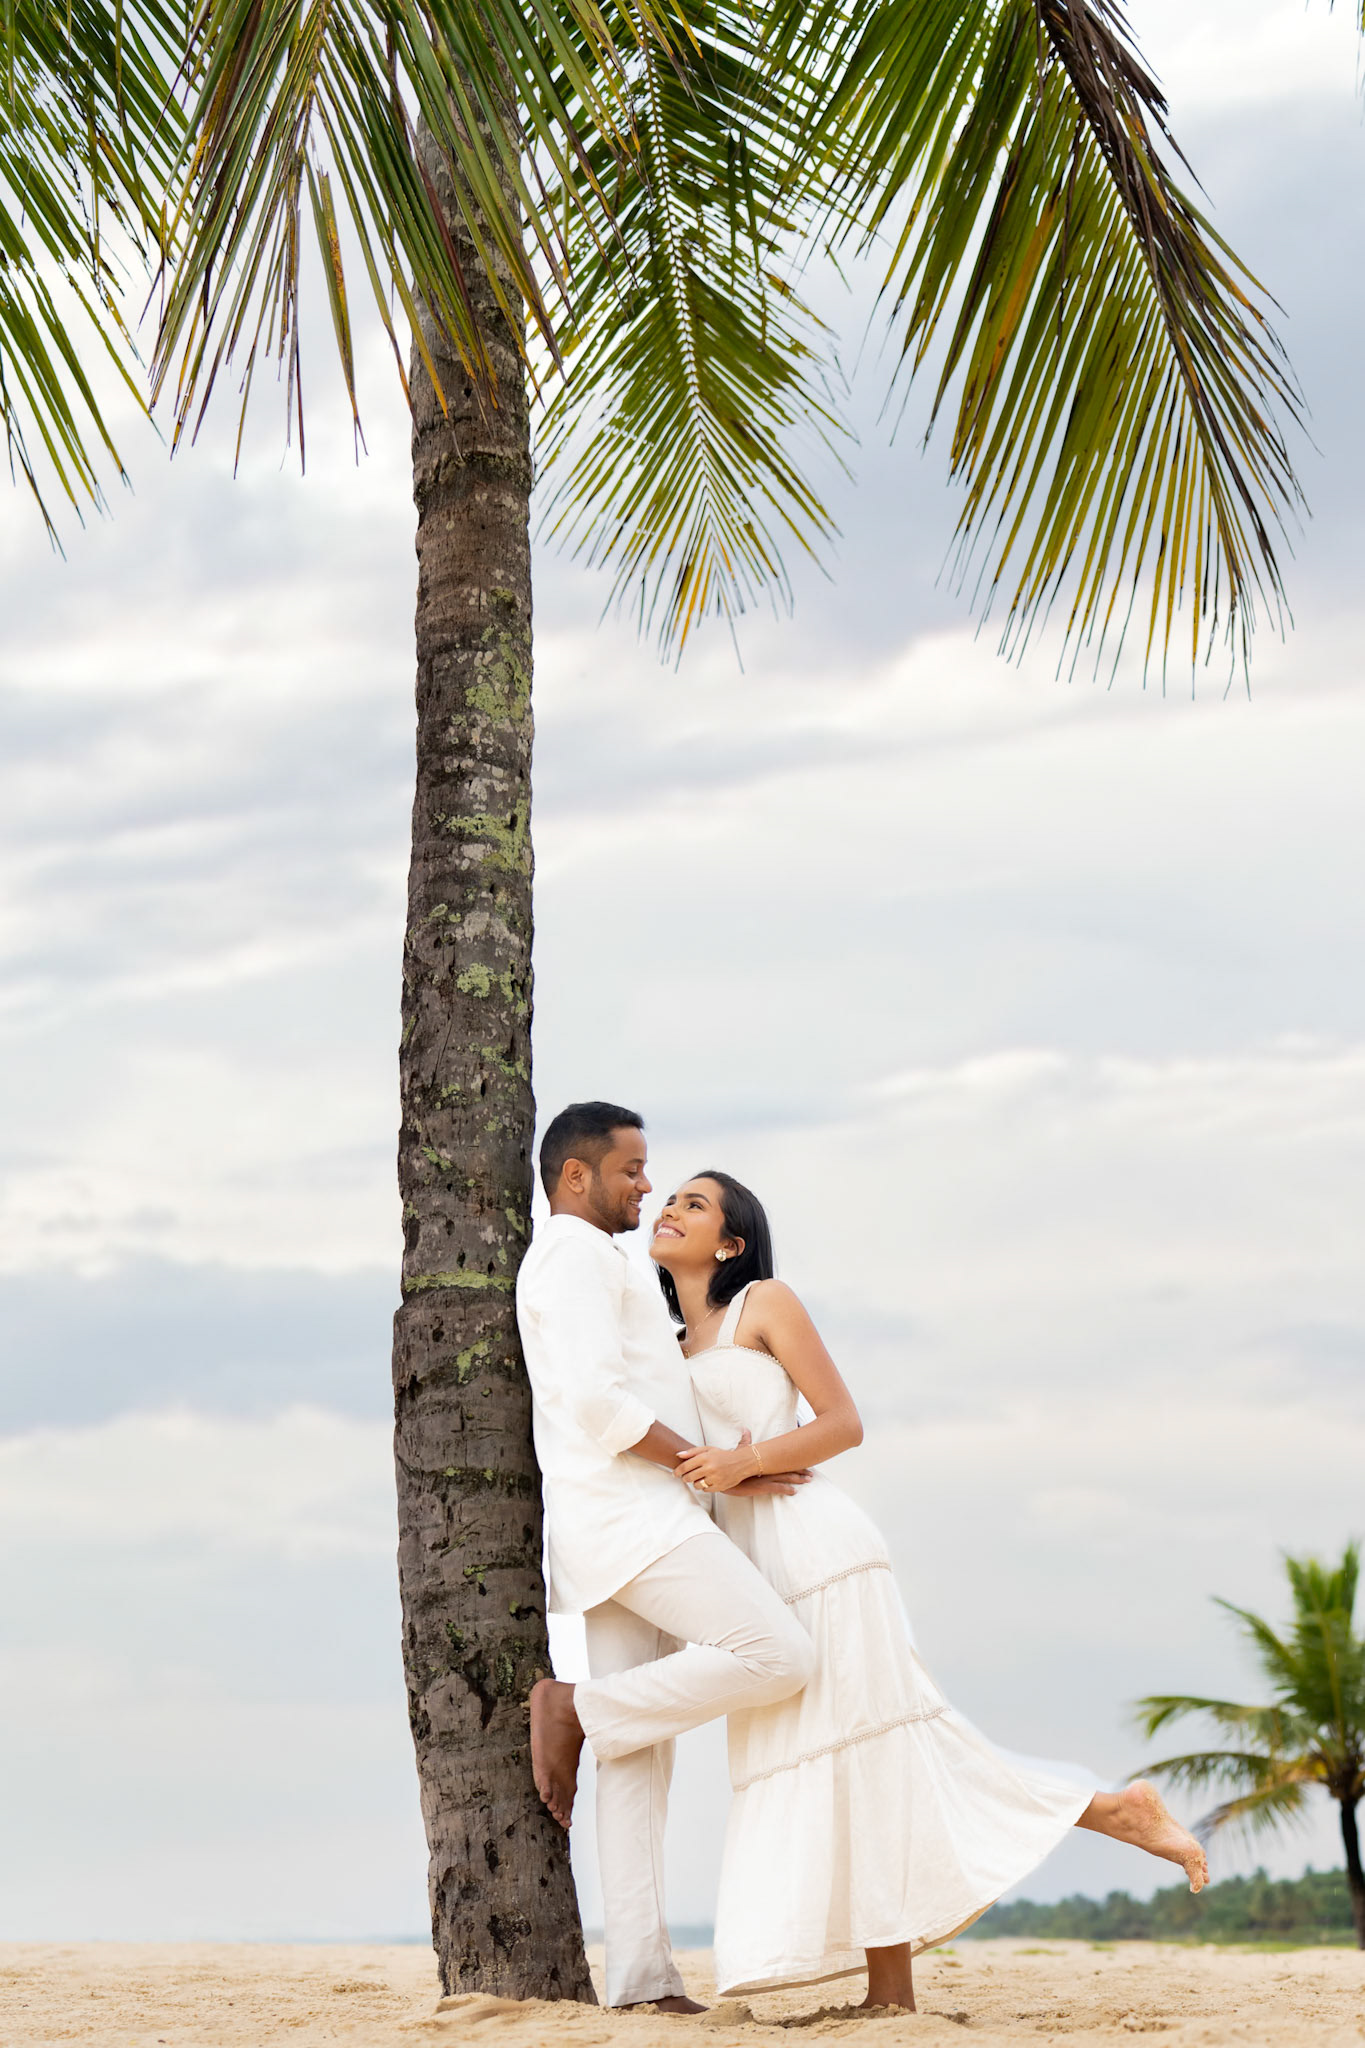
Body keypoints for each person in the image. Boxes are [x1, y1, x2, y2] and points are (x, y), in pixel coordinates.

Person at [651, 1168, 1209, 2014]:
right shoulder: (665, 1345)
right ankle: (1097, 1813)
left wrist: (742, 1462)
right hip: (750, 1576)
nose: (669, 1208)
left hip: (819, 1552)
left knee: (874, 1748)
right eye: (667, 1198)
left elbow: (842, 1422)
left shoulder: (763, 1301)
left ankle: (1085, 1824)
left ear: (730, 1241)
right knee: (840, 1758)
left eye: (694, 1203)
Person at [515, 1103, 816, 2012]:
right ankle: (573, 1704)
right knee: (779, 1655)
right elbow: (596, 1404)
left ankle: (641, 1982)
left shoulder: (598, 1263)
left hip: (617, 1524)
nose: (647, 1186)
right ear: (576, 1177)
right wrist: (698, 1466)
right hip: (635, 1516)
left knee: (637, 1760)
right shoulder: (570, 1256)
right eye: (632, 1170)